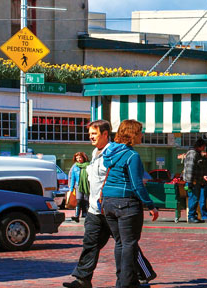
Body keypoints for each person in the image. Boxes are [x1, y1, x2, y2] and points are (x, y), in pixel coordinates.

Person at [100, 120, 160, 288]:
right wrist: (150, 205)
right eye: (140, 132)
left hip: (108, 202)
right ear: (133, 134)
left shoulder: (110, 151)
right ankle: (125, 283)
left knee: (120, 243)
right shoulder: (132, 156)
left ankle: (126, 280)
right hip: (126, 203)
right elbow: (137, 184)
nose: (142, 135)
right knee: (129, 244)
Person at [64, 120, 116, 288]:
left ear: (105, 134)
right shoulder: (95, 153)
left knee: (126, 244)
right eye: (90, 134)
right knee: (90, 243)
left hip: (110, 209)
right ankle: (82, 279)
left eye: (94, 133)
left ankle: (143, 273)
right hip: (94, 209)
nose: (91, 137)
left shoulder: (113, 153)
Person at [183, 141, 207, 223]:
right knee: (193, 198)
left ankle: (193, 215)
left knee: (194, 198)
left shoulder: (196, 154)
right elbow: (190, 168)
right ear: (199, 146)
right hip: (193, 181)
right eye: (203, 147)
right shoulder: (193, 154)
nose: (204, 149)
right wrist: (190, 181)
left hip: (195, 181)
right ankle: (191, 216)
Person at [68, 151, 90, 223]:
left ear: (83, 157)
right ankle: (77, 216)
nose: (79, 159)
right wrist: (71, 188)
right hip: (78, 186)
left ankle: (88, 216)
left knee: (87, 201)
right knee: (79, 201)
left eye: (80, 157)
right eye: (77, 158)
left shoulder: (89, 165)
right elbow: (72, 177)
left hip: (87, 186)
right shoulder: (75, 166)